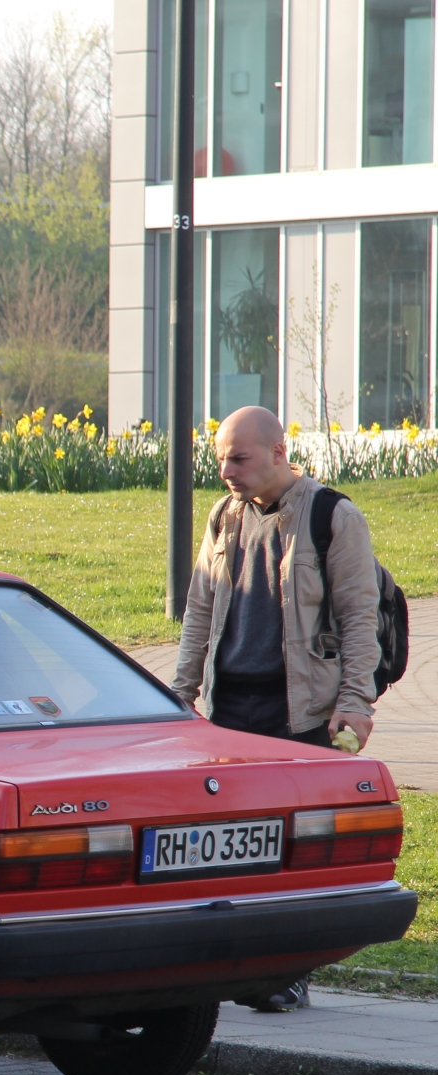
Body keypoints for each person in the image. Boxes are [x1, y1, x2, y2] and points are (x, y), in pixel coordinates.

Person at [172, 405, 381, 1012]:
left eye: (237, 459)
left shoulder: (331, 516)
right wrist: (180, 696)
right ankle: (229, 969)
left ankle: (288, 974)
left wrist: (355, 703)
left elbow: (359, 616)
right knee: (232, 846)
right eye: (219, 460)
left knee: (293, 852)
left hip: (301, 715)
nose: (226, 471)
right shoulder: (224, 517)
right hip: (230, 714)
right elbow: (199, 614)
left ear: (277, 452)